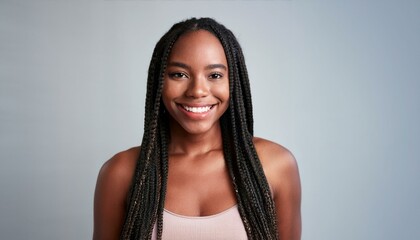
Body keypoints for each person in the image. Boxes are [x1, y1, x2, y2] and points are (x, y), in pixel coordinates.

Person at [93, 17, 301, 240]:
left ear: (234, 82)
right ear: (159, 81)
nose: (197, 91)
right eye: (179, 74)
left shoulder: (276, 166)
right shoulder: (120, 172)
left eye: (215, 75)